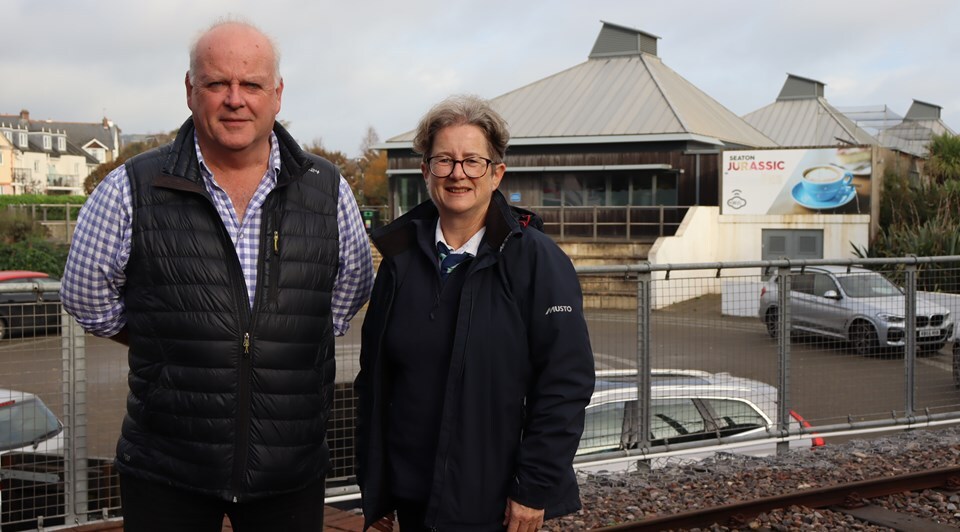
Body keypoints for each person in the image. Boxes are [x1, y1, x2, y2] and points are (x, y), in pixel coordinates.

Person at [60, 18, 373, 532]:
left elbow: (349, 289)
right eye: (216, 83)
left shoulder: (329, 189)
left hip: (288, 468)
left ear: (277, 94)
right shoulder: (130, 187)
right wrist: (165, 337)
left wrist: (278, 337)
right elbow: (85, 295)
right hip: (168, 469)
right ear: (190, 91)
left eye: (251, 84)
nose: (234, 99)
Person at [355, 95, 595, 532]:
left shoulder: (536, 261)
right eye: (444, 160)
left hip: (492, 503)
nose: (457, 173)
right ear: (425, 171)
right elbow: (374, 379)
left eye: (472, 161)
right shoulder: (400, 260)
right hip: (412, 495)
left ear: (497, 172)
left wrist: (534, 486)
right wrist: (377, 487)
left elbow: (565, 383)